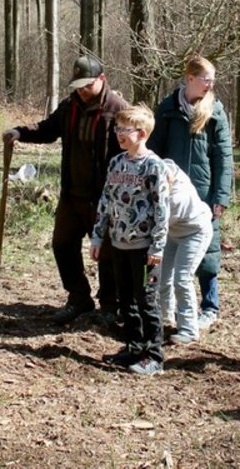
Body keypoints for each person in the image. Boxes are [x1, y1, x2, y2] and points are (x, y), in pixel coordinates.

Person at [2, 54, 127, 325]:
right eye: (78, 86)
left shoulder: (118, 109)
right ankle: (79, 298)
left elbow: (133, 149)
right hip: (72, 194)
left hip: (105, 198)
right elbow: (47, 129)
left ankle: (110, 306)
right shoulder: (70, 106)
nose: (83, 91)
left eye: (88, 85)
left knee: (107, 254)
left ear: (102, 79)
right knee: (62, 245)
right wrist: (20, 132)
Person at [149, 56, 233, 331]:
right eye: (206, 79)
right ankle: (169, 310)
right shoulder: (167, 109)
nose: (210, 85)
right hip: (172, 195)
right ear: (190, 79)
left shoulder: (215, 112)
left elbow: (224, 157)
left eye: (213, 80)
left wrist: (221, 197)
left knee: (208, 253)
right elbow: (154, 152)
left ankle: (210, 306)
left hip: (204, 193)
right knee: (170, 252)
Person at [90, 104, 170, 375]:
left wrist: (157, 247)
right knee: (126, 301)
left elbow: (162, 210)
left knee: (147, 300)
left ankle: (154, 356)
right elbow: (105, 201)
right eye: (117, 128)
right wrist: (98, 237)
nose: (119, 134)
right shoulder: (116, 163)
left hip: (146, 249)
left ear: (142, 133)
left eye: (125, 130)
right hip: (118, 245)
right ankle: (134, 348)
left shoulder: (154, 166)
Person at [158, 159, 213, 345]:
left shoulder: (176, 199)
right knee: (162, 276)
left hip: (195, 232)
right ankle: (165, 320)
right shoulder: (162, 167)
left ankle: (189, 329)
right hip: (173, 233)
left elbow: (156, 229)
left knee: (181, 279)